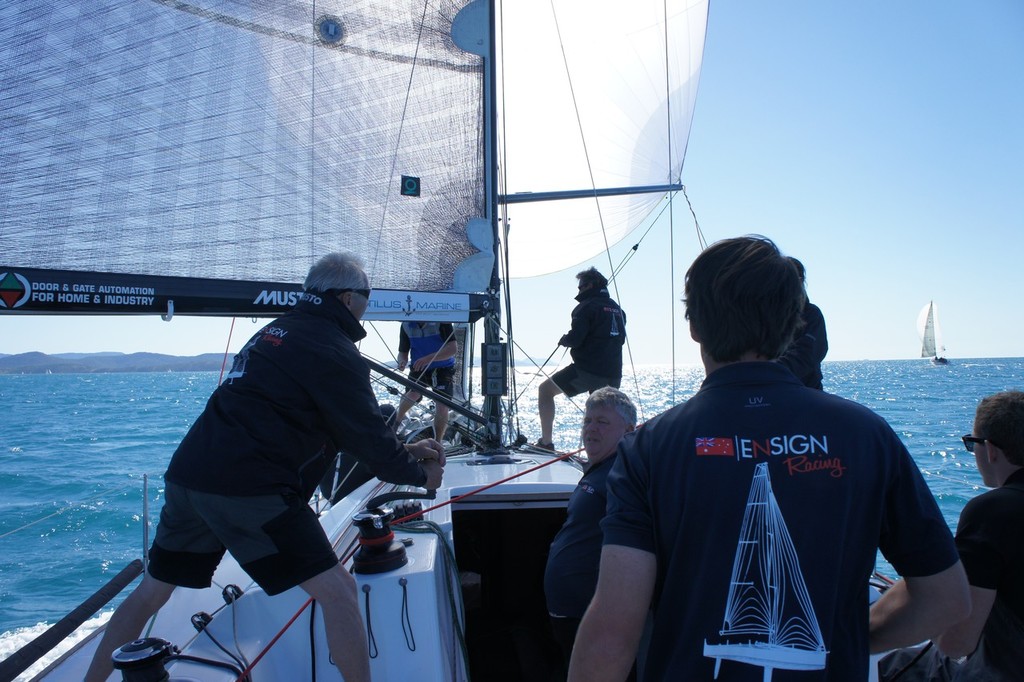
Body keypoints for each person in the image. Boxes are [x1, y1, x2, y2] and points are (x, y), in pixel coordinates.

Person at [567, 236, 969, 682]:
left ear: (694, 326)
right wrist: (852, 638)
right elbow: (946, 598)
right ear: (795, 323)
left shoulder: (647, 447)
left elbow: (612, 633)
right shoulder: (868, 435)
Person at [85, 252, 445, 682]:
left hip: (190, 476)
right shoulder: (335, 349)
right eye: (366, 297)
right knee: (338, 592)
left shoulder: (272, 332)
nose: (367, 306)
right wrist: (420, 473)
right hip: (252, 489)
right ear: (348, 299)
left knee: (151, 592)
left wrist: (404, 448)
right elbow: (368, 438)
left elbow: (299, 414)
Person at [879, 391, 1024, 681]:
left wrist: (925, 602)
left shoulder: (993, 512)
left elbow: (955, 641)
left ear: (991, 450)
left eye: (972, 445)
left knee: (891, 665)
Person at [544, 387, 637, 678]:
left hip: (592, 616)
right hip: (571, 612)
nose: (591, 429)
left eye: (602, 422)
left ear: (629, 430)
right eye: (587, 421)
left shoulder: (622, 477)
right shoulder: (598, 470)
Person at [536, 268, 626, 451]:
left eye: (581, 287)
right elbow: (620, 339)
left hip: (588, 371)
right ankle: (606, 453)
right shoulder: (618, 309)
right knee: (599, 411)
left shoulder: (585, 307)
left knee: (545, 390)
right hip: (614, 374)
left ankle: (546, 442)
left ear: (590, 285)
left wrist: (565, 340)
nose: (578, 292)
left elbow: (576, 339)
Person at [393, 321, 458, 440]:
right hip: (419, 366)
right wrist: (402, 361)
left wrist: (428, 359)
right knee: (412, 394)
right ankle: (395, 425)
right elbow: (403, 352)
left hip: (443, 368)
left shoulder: (442, 321)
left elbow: (453, 349)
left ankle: (438, 441)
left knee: (442, 403)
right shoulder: (406, 325)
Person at [777, 257, 828, 389]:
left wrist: (765, 372)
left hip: (806, 391)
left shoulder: (812, 314)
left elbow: (806, 356)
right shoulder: (759, 316)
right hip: (770, 392)